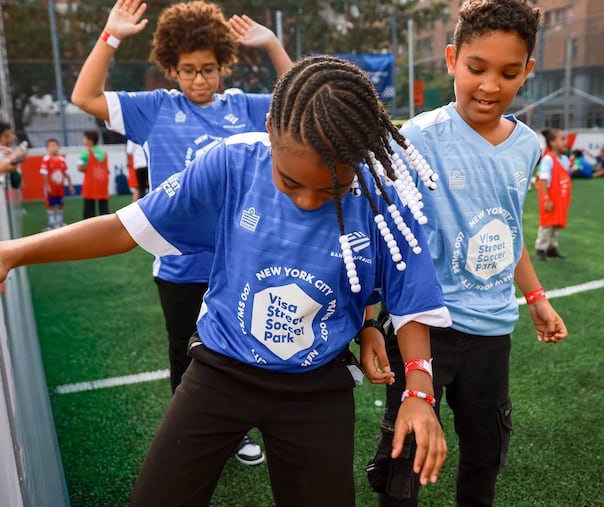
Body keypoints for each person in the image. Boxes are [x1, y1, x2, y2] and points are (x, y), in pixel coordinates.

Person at [0, 55, 450, 507]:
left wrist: (417, 389)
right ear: (271, 128)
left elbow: (409, 297)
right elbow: (124, 228)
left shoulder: (382, 196)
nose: (309, 201)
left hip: (316, 385)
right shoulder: (232, 163)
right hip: (221, 370)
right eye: (290, 182)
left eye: (329, 190)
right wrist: (13, 252)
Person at [362, 2, 568, 506]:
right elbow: (385, 237)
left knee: (485, 452)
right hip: (423, 327)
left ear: (528, 72)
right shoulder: (415, 139)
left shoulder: (527, 145)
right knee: (403, 461)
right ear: (452, 59)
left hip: (492, 331)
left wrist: (536, 296)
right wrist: (369, 319)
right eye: (477, 68)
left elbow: (507, 229)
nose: (490, 85)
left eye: (508, 72)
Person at [71, 0, 292, 464]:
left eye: (208, 69)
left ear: (222, 66)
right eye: (188, 70)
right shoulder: (154, 110)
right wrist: (110, 36)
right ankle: (192, 441)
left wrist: (272, 44)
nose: (199, 80)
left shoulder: (244, 109)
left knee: (242, 353)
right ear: (172, 68)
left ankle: (238, 433)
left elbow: (300, 101)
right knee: (188, 358)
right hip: (178, 266)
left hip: (240, 261)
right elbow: (84, 97)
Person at [535, 128, 572, 261]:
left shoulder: (565, 160)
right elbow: (543, 180)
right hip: (551, 197)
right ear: (552, 142)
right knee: (547, 224)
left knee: (557, 223)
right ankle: (541, 249)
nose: (565, 142)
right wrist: (546, 198)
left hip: (561, 198)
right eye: (562, 139)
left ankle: (552, 247)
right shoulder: (548, 160)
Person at [40, 138, 75, 230]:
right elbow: (44, 174)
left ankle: (59, 223)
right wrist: (47, 186)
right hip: (50, 188)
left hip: (60, 188)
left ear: (58, 147)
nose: (53, 148)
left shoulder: (62, 160)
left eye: (55, 145)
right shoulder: (46, 160)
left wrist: (70, 186)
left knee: (60, 204)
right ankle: (51, 225)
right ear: (47, 149)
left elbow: (67, 173)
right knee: (50, 205)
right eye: (50, 146)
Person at [77, 130, 110, 219]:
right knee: (104, 207)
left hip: (91, 183)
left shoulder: (85, 152)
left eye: (85, 138)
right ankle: (106, 225)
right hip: (103, 182)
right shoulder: (103, 152)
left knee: (89, 208)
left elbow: (80, 167)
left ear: (90, 140)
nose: (83, 140)